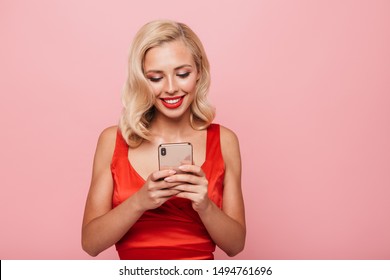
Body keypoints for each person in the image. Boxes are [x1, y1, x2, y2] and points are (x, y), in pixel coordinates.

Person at [81, 19, 245, 260]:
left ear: (199, 72)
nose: (170, 88)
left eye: (182, 74)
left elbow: (236, 245)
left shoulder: (225, 140)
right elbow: (90, 243)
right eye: (156, 77)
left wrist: (205, 205)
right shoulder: (112, 140)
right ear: (141, 80)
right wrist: (140, 201)